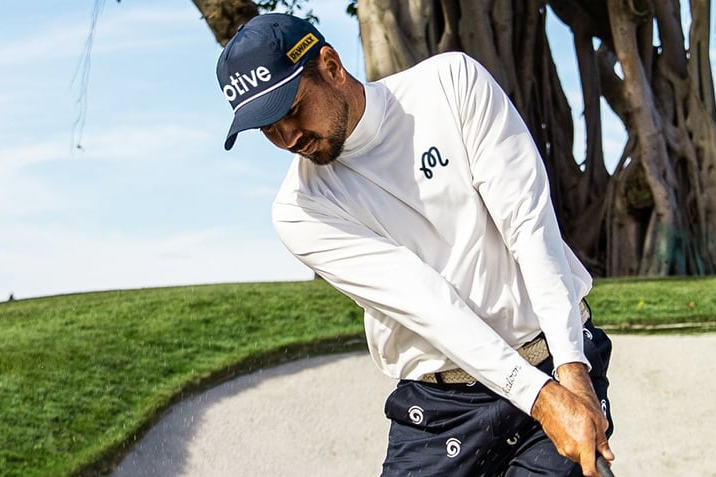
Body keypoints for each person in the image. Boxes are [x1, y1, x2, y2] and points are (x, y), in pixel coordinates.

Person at [216, 13, 615, 477]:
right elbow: (430, 304)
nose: (288, 138)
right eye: (267, 129)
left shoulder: (452, 84)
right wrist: (541, 400)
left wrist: (571, 369)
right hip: (440, 406)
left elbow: (529, 225)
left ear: (331, 65)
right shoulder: (299, 211)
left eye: (290, 109)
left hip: (552, 358)